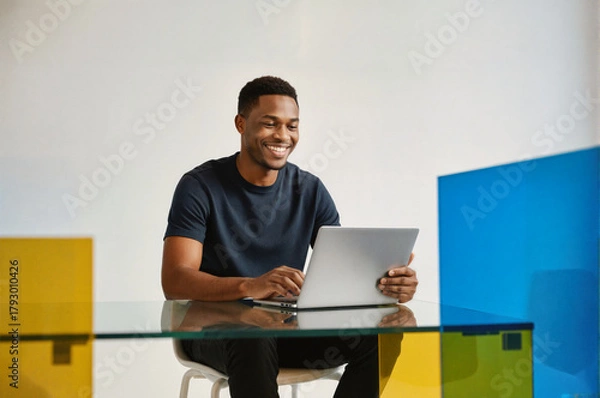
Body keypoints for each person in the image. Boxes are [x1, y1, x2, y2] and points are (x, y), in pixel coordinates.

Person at [161, 76, 418, 397]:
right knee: (252, 338)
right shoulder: (200, 186)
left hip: (288, 333)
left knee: (382, 336)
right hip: (210, 332)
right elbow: (175, 280)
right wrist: (251, 285)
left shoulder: (310, 190)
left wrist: (387, 286)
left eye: (292, 126)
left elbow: (339, 278)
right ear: (241, 124)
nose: (283, 135)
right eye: (270, 124)